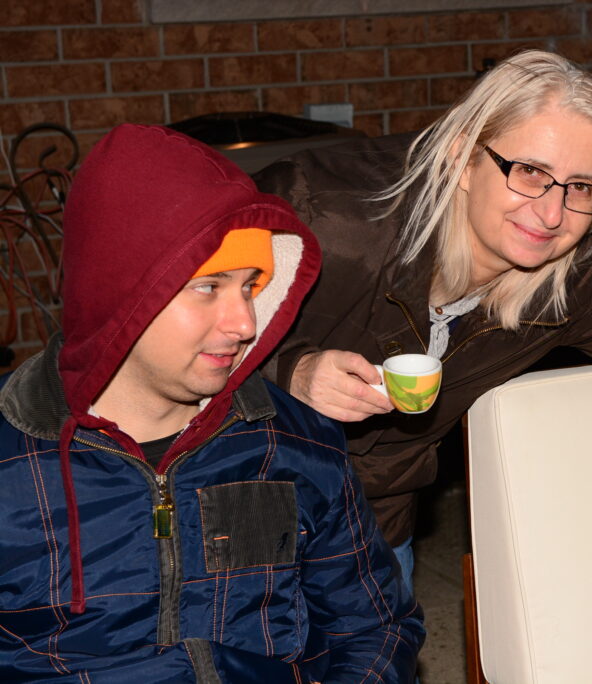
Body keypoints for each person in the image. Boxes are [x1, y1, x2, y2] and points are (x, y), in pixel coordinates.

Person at [0, 124, 424, 682]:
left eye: (250, 286)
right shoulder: (10, 459)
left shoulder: (297, 443)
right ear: (120, 289)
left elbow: (376, 628)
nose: (244, 323)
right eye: (208, 286)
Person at [255, 50, 592, 583]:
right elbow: (169, 315)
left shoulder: (576, 280)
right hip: (235, 509)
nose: (552, 214)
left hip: (373, 526)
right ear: (463, 157)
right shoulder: (327, 217)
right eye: (530, 172)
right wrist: (291, 370)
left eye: (580, 187)